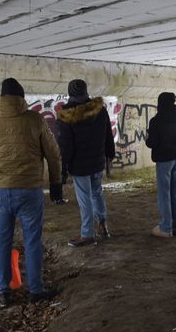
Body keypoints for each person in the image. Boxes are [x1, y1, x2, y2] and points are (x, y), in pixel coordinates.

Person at [0, 78, 63, 308]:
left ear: (1, 98)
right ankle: (36, 290)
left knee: (2, 241)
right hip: (29, 191)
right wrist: (56, 184)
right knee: (32, 240)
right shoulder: (35, 119)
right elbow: (53, 154)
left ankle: (3, 291)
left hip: (0, 193)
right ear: (21, 98)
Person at [56, 79, 115, 247]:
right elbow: (108, 135)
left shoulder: (66, 115)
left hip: (80, 165)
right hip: (97, 161)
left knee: (85, 199)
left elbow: (65, 146)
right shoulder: (100, 110)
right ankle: (102, 225)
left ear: (70, 93)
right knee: (97, 193)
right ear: (86, 91)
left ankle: (87, 234)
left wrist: (63, 169)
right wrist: (109, 154)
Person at [146, 92, 176, 238]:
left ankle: (166, 228)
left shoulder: (156, 121)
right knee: (175, 192)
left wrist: (147, 137)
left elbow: (152, 143)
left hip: (164, 160)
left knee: (164, 194)